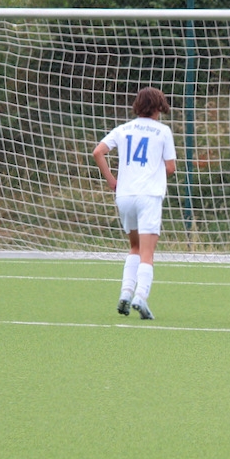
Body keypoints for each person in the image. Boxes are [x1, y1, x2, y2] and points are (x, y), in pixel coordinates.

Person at [93, 87, 177, 320]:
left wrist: (112, 181)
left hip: (125, 195)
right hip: (148, 196)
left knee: (135, 247)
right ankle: (141, 296)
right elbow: (171, 167)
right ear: (159, 107)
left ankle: (125, 293)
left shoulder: (123, 129)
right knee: (147, 252)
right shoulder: (162, 131)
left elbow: (98, 152)